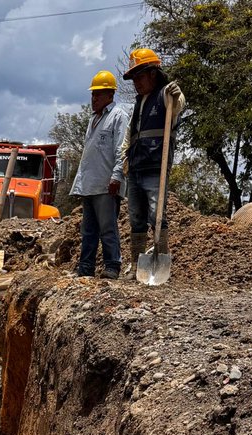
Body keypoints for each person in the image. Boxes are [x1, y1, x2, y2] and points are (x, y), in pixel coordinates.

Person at [121, 48, 185, 270]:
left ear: (153, 74)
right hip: (136, 166)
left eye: (139, 76)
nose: (136, 82)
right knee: (136, 218)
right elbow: (131, 134)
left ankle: (160, 260)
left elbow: (178, 106)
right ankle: (136, 264)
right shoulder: (139, 103)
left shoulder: (166, 94)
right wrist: (125, 159)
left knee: (157, 215)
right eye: (134, 78)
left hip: (156, 164)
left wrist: (177, 96)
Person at [70, 70, 128, 280]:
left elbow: (122, 149)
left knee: (107, 228)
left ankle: (112, 265)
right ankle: (86, 268)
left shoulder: (118, 117)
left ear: (110, 95)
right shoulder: (93, 119)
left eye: (98, 94)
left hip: (106, 184)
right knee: (88, 231)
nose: (93, 98)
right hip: (90, 184)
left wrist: (117, 176)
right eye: (92, 94)